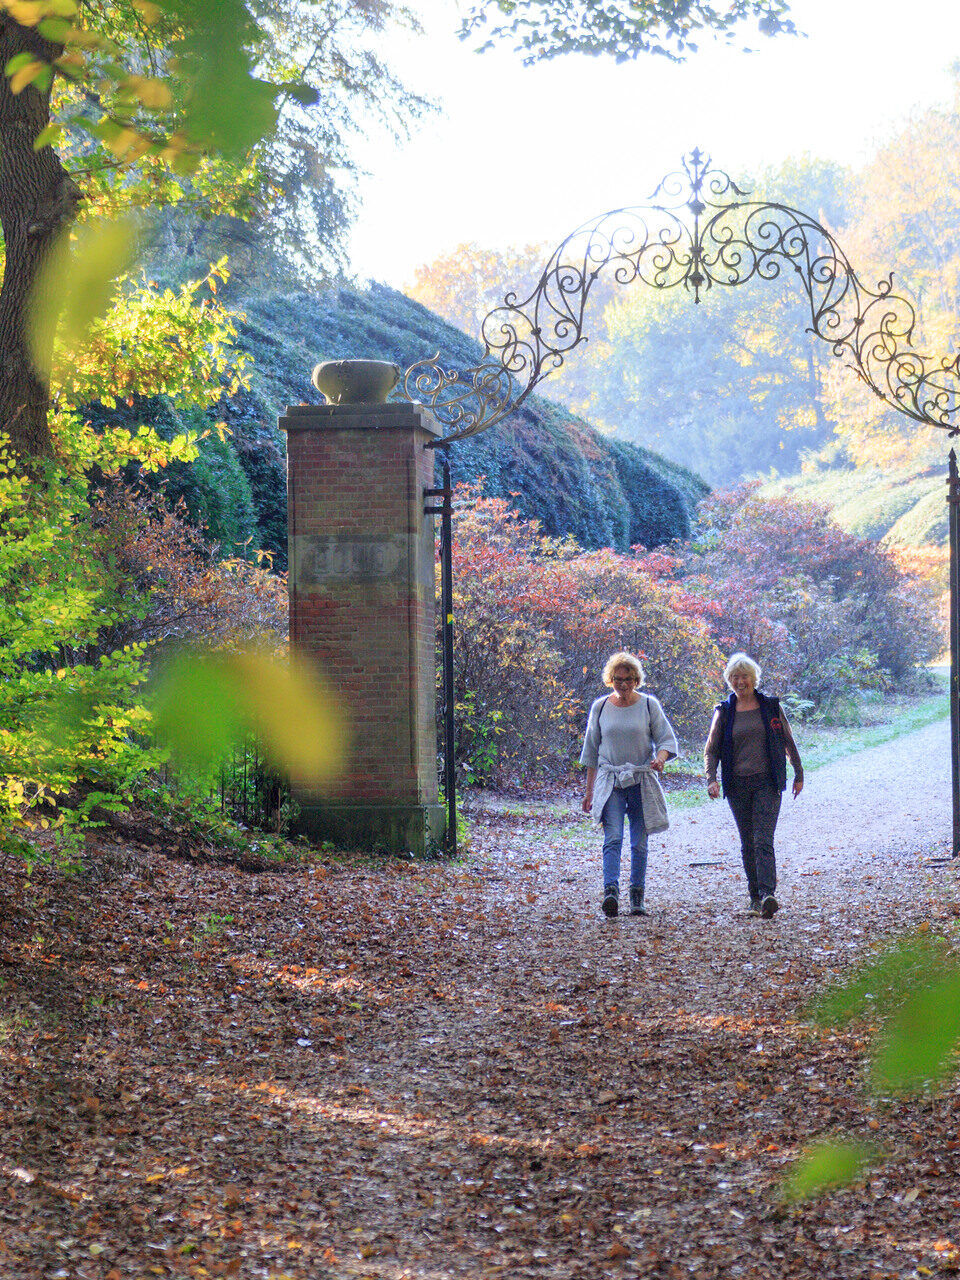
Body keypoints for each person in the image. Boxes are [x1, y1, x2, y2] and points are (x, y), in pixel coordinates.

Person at [704, 652, 803, 918]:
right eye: (734, 677)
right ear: (729, 680)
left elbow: (788, 740)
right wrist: (712, 779)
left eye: (744, 676)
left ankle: (768, 893)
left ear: (754, 678)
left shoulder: (770, 707)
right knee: (748, 842)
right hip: (737, 785)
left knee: (763, 839)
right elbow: (711, 749)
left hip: (767, 782)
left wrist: (798, 772)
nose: (740, 681)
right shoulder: (724, 712)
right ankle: (755, 896)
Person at [580, 651, 679, 918]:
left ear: (637, 680)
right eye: (618, 679)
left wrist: (659, 759)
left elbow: (667, 741)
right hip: (610, 779)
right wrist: (589, 791)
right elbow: (590, 751)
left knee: (639, 842)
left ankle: (637, 896)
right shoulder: (600, 707)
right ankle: (610, 891)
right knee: (613, 837)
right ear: (610, 679)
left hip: (640, 779)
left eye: (628, 679)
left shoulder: (649, 705)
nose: (623, 684)